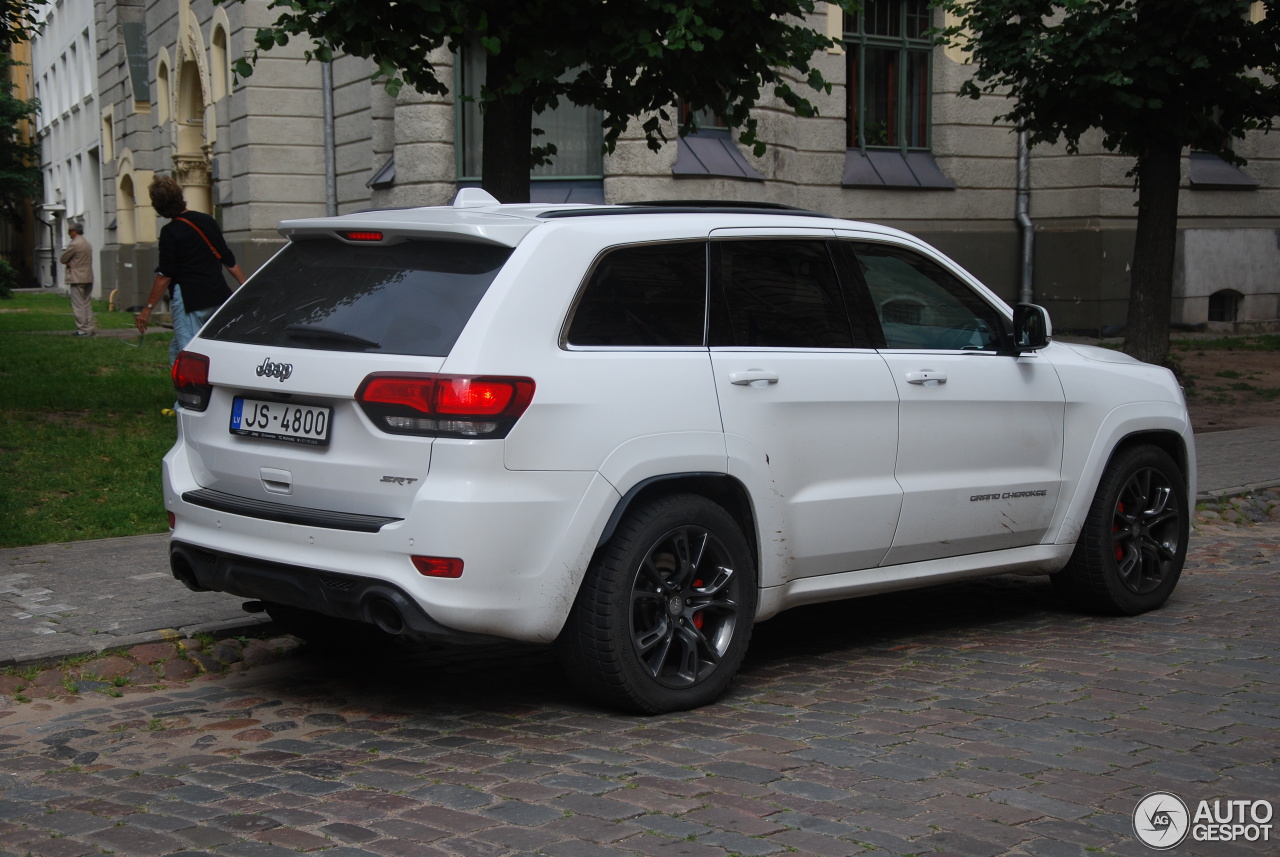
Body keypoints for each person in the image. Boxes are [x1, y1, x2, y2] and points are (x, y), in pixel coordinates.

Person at [135, 176, 246, 362]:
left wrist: (147, 309)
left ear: (159, 206)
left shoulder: (170, 232)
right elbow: (228, 260)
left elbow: (165, 275)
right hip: (217, 295)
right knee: (184, 348)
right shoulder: (207, 220)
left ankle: (195, 390)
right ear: (179, 196)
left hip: (189, 301)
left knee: (188, 354)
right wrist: (245, 285)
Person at [60, 221, 95, 336]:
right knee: (86, 303)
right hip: (88, 276)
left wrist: (70, 262)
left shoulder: (74, 244)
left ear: (74, 232)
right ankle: (89, 327)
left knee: (78, 304)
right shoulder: (87, 243)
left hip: (77, 277)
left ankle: (83, 329)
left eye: (69, 231)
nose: (69, 233)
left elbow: (63, 258)